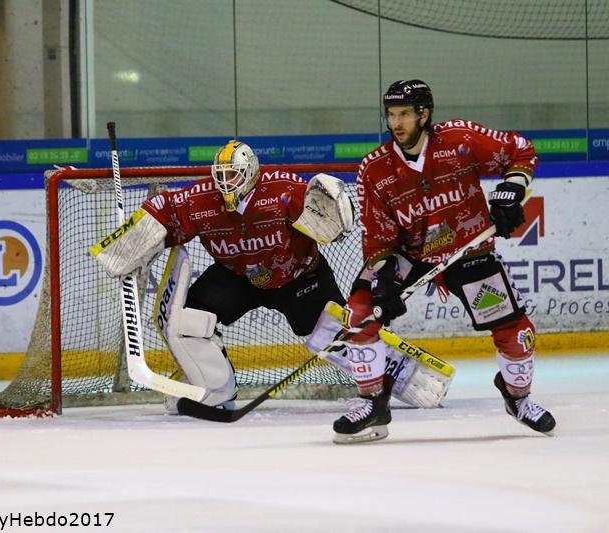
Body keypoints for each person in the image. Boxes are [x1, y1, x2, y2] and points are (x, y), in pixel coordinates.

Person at [332, 79, 556, 444]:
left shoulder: (459, 141)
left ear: (424, 114)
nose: (396, 123)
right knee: (359, 314)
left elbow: (520, 151)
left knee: (516, 334)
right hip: (409, 254)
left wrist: (512, 189)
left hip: (467, 249)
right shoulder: (375, 169)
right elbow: (377, 235)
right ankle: (373, 401)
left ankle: (517, 397)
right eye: (391, 115)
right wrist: (385, 277)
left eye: (405, 114)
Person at [91, 140, 356, 408]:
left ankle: (378, 383)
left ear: (251, 173)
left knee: (338, 333)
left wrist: (336, 212)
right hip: (238, 277)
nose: (226, 183)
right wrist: (125, 247)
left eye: (233, 175)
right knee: (189, 319)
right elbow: (166, 209)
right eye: (221, 175)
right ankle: (215, 388)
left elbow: (325, 213)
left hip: (299, 278)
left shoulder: (282, 191)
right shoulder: (202, 199)